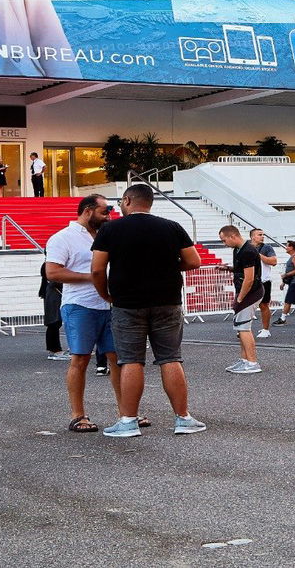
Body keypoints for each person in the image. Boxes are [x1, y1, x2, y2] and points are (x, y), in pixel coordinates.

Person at [90, 183, 208, 436]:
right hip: (167, 300)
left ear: (127, 201)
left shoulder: (110, 229)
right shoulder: (171, 227)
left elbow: (98, 269)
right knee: (170, 358)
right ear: (150, 202)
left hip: (127, 303)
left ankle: (129, 421)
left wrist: (105, 294)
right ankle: (183, 418)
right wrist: (165, 268)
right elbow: (193, 261)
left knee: (131, 360)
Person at [45, 194, 124, 433]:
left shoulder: (105, 236)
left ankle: (127, 413)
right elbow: (53, 273)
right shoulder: (62, 237)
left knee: (118, 360)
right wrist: (93, 277)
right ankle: (78, 416)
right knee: (80, 359)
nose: (108, 216)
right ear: (88, 211)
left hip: (109, 305)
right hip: (79, 306)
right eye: (104, 212)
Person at [219, 226, 265, 373]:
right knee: (240, 327)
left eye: (224, 240)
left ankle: (252, 363)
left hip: (251, 292)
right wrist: (228, 269)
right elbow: (242, 270)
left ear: (232, 236)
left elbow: (249, 279)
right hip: (246, 292)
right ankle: (245, 360)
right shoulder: (239, 250)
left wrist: (240, 298)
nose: (224, 243)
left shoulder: (248, 251)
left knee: (244, 327)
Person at [251, 228, 279, 338]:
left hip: (264, 280)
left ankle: (266, 329)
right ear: (253, 236)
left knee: (264, 305)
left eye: (263, 235)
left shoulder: (267, 247)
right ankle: (244, 329)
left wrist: (259, 256)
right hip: (250, 280)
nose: (262, 236)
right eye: (259, 235)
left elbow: (274, 261)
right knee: (247, 306)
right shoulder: (247, 247)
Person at [38, 259, 66, 361]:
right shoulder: (48, 266)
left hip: (54, 294)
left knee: (55, 322)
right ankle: (54, 349)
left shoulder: (48, 265)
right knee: (54, 322)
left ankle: (54, 349)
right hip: (53, 295)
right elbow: (54, 280)